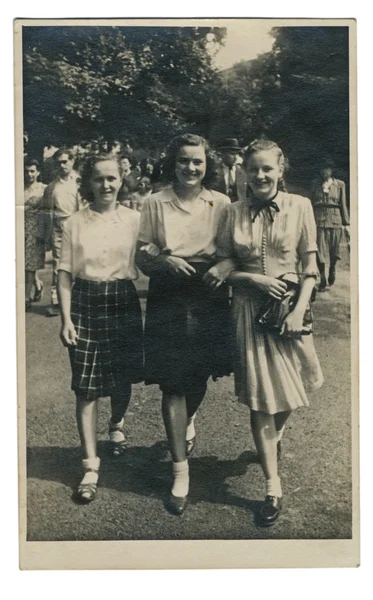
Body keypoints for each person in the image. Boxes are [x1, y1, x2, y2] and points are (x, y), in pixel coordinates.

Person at [210, 139, 324, 527]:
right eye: (253, 169)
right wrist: (251, 279)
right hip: (247, 309)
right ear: (243, 170)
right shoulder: (233, 210)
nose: (259, 176)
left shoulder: (301, 207)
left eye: (267, 169)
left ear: (280, 170)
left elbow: (311, 267)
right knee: (261, 399)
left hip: (289, 311)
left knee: (293, 390)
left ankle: (273, 439)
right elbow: (224, 260)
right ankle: (272, 487)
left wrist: (297, 309)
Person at [136, 133, 234, 516]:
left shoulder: (222, 203)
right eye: (183, 161)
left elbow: (233, 252)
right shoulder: (155, 202)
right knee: (173, 382)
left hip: (209, 292)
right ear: (172, 163)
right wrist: (162, 261)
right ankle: (180, 471)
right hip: (169, 292)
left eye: (197, 161)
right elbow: (142, 256)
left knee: (197, 377)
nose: (190, 168)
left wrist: (225, 265)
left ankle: (187, 422)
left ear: (207, 165)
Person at [57, 153, 143, 502]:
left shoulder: (137, 219)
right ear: (88, 183)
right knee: (86, 387)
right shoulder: (74, 223)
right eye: (98, 179)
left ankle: (116, 424)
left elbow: (156, 255)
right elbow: (64, 273)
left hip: (122, 299)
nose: (106, 185)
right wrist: (66, 319)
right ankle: (90, 464)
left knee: (122, 377)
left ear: (122, 180)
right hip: (85, 303)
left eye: (112, 178)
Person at [42, 148, 84, 316]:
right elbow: (47, 211)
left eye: (65, 161)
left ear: (72, 161)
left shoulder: (80, 181)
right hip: (59, 226)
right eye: (59, 162)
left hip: (78, 224)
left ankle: (78, 299)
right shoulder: (52, 185)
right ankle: (56, 300)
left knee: (80, 262)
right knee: (58, 263)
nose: (63, 165)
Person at [311, 159, 350, 291]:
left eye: (327, 169)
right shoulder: (315, 184)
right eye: (322, 169)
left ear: (331, 171)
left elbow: (343, 204)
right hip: (319, 219)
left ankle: (332, 269)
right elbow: (310, 203)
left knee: (334, 251)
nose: (324, 172)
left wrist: (346, 223)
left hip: (335, 219)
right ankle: (322, 278)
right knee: (319, 251)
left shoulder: (339, 184)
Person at [24, 159, 47, 310]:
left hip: (36, 229)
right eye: (26, 171)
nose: (29, 174)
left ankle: (26, 296)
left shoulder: (44, 189)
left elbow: (47, 212)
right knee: (23, 262)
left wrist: (45, 233)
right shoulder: (18, 188)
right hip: (20, 227)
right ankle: (38, 284)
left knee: (30, 263)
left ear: (38, 172)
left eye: (32, 171)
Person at [213, 138, 248, 203]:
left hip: (240, 208)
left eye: (237, 154)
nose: (235, 157)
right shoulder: (214, 172)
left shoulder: (243, 171)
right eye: (232, 154)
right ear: (223, 154)